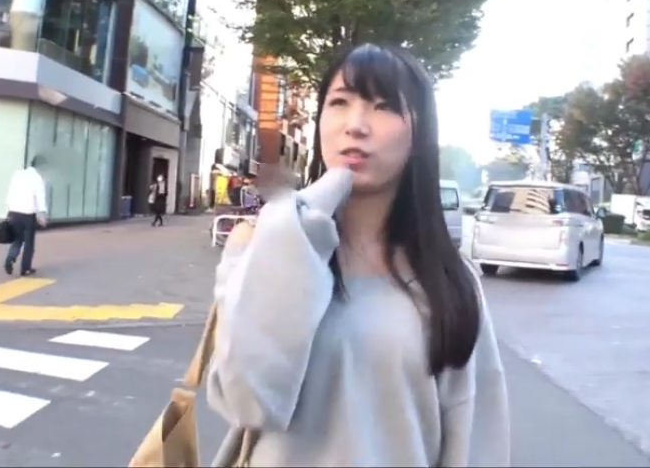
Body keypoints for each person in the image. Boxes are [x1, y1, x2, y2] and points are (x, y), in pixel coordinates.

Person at [206, 44, 509, 466]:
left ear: (420, 134)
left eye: (383, 106)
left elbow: (476, 445)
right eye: (340, 103)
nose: (355, 125)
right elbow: (248, 401)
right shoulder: (262, 245)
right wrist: (292, 227)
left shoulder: (449, 283)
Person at [4, 155, 48, 276]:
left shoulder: (17, 175)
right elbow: (40, 197)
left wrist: (9, 209)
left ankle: (10, 258)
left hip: (14, 211)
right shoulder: (37, 178)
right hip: (28, 214)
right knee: (29, 243)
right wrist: (42, 214)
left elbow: (10, 192)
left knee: (17, 239)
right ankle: (25, 268)